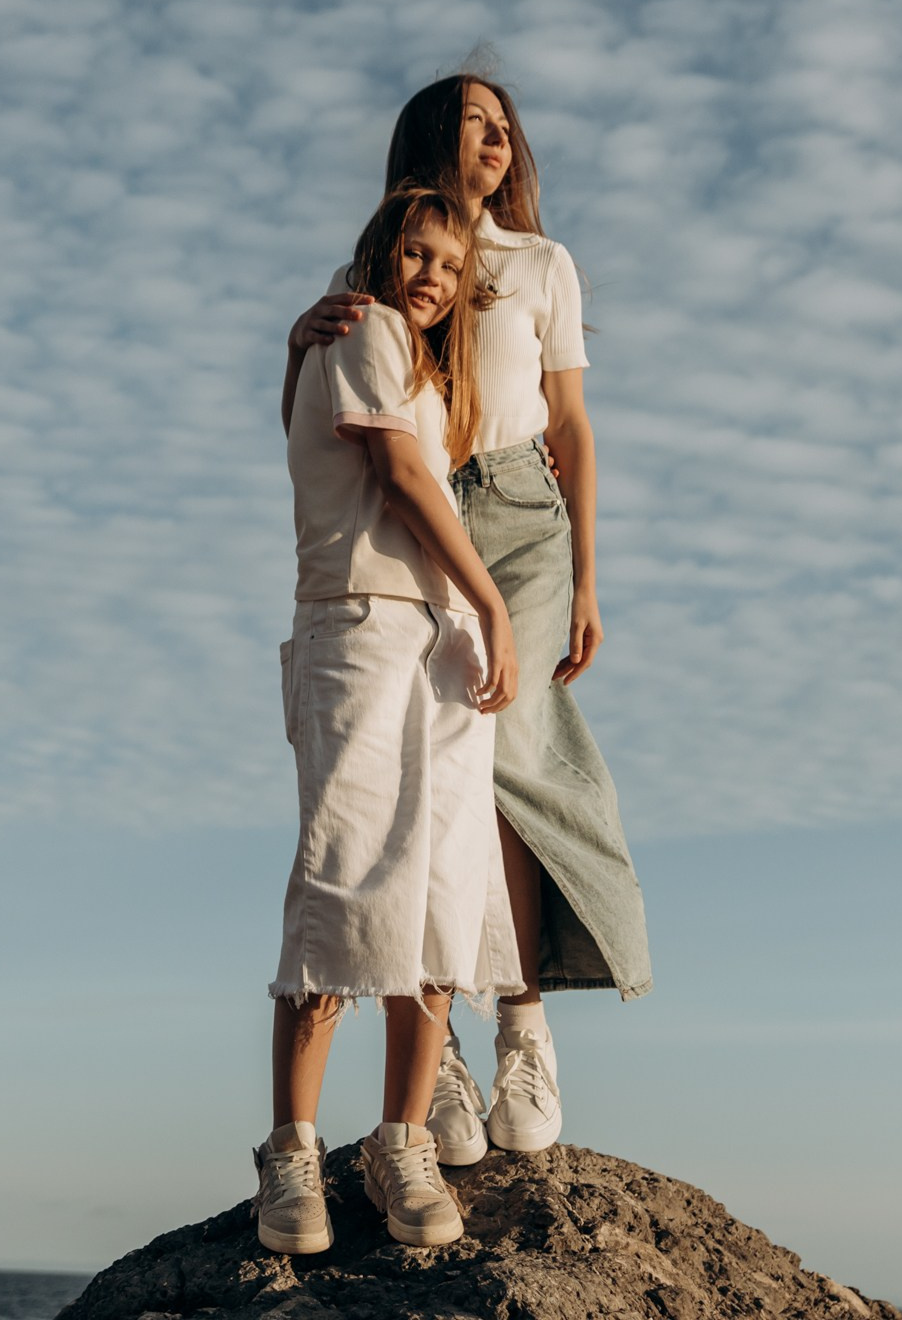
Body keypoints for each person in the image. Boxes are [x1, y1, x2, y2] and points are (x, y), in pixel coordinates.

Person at [284, 67, 653, 1165]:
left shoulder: (544, 263)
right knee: (433, 775)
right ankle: (431, 1056)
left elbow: (571, 425)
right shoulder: (384, 268)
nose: (496, 138)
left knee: (512, 754)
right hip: (418, 516)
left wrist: (588, 579)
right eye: (472, 122)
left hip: (523, 517)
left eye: (506, 126)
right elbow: (331, 413)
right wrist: (295, 340)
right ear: (429, 138)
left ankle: (522, 1028)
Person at [253, 185, 524, 1257]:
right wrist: (495, 601)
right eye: (417, 254)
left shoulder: (413, 365)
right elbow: (398, 473)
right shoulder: (360, 325)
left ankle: (402, 1139)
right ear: (380, 253)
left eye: (451, 267)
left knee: (445, 889)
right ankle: (292, 1150)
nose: (432, 278)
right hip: (361, 621)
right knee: (344, 878)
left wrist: (473, 612)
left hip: (438, 635)